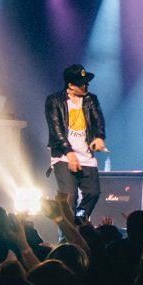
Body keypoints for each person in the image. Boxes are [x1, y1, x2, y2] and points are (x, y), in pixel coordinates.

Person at [46, 64, 107, 222]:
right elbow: (56, 130)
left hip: (86, 156)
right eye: (82, 83)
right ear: (71, 85)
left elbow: (98, 120)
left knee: (93, 193)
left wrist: (99, 137)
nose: (86, 85)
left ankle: (78, 222)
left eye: (87, 82)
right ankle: (68, 235)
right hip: (64, 156)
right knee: (69, 198)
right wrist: (70, 154)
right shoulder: (54, 101)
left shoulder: (90, 99)